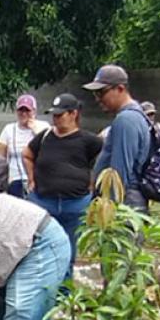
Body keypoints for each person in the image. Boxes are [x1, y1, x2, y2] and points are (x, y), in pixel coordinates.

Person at [22, 93, 102, 279]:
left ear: (73, 114)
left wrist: (92, 184)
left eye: (60, 115)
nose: (55, 119)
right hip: (43, 202)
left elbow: (103, 160)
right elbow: (27, 154)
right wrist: (31, 179)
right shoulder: (45, 136)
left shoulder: (88, 140)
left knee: (68, 250)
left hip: (74, 205)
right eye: (53, 115)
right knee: (37, 248)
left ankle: (63, 295)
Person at [82, 65, 151, 212]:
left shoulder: (126, 119)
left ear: (120, 89)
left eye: (101, 92)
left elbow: (118, 175)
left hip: (125, 202)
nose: (97, 99)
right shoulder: (133, 115)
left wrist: (109, 210)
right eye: (95, 94)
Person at [0, 94, 51, 198]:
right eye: (21, 110)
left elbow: (50, 149)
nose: (24, 113)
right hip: (15, 178)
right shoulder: (8, 129)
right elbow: (1, 158)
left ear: (34, 112)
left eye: (27, 111)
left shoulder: (44, 126)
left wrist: (35, 130)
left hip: (38, 179)